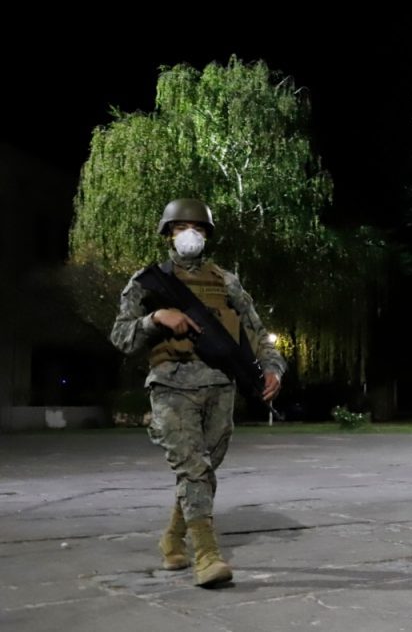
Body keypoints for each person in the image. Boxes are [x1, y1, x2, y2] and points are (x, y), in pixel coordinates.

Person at [110, 198, 285, 587]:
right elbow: (121, 336)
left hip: (220, 385)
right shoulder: (147, 281)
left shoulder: (226, 281)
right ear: (168, 234)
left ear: (207, 235)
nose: (190, 234)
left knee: (205, 470)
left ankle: (173, 537)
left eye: (199, 228)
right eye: (181, 227)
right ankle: (207, 556)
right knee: (193, 467)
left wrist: (273, 368)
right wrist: (155, 318)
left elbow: (256, 330)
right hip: (171, 385)